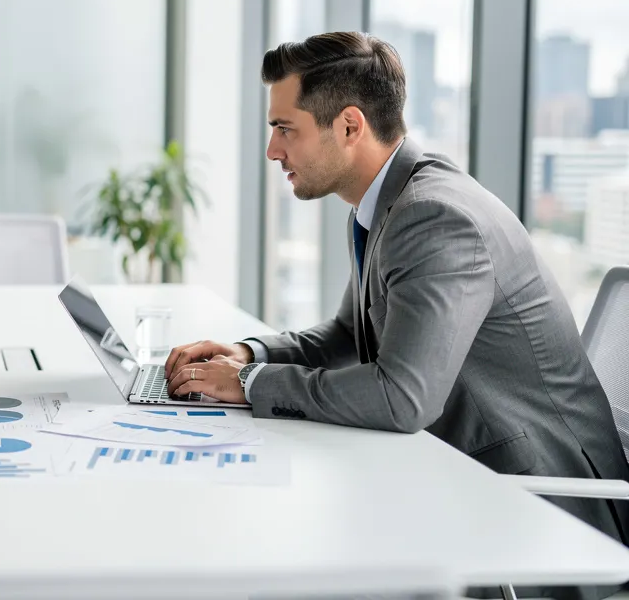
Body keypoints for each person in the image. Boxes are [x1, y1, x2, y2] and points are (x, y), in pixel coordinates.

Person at [165, 32, 628, 600]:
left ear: (350, 127)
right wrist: (249, 355)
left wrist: (250, 385)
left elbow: (401, 398)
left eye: (285, 129)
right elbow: (346, 335)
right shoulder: (387, 200)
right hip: (463, 479)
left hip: (542, 515)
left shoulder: (434, 217)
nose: (273, 151)